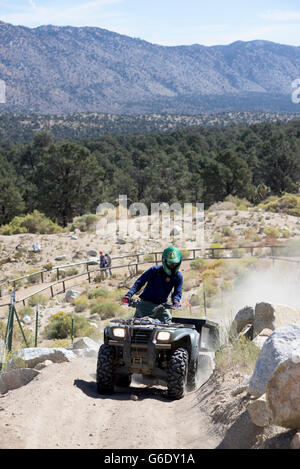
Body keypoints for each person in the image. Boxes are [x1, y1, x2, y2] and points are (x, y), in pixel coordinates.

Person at [122, 246, 183, 324]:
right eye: (170, 264)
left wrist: (176, 301)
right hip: (145, 305)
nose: (173, 266)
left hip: (161, 306)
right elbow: (139, 282)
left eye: (175, 264)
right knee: (140, 325)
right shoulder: (154, 270)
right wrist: (129, 295)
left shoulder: (178, 276)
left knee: (168, 325)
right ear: (164, 261)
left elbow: (177, 291)